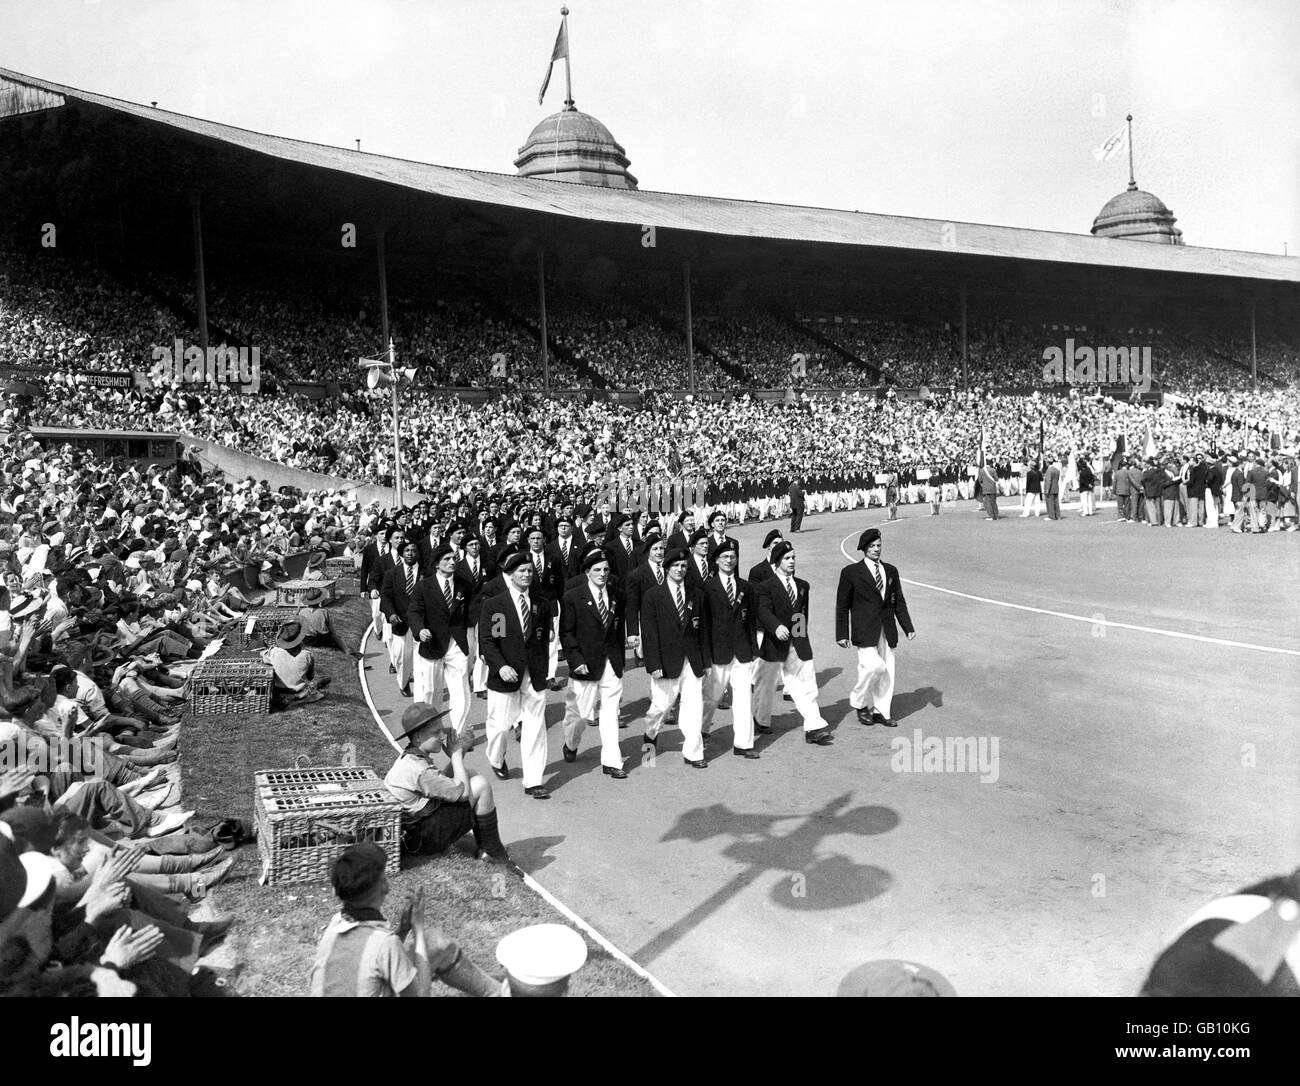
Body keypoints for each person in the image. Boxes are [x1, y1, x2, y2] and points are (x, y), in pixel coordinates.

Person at [308, 840, 504, 997]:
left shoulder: (334, 927)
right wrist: (417, 929)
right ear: (384, 886)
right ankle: (498, 992)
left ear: (337, 890)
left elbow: (373, 966)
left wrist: (402, 931)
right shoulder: (384, 943)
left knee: (435, 943)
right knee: (436, 944)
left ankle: (495, 989)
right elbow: (420, 993)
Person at [382, 703, 508, 860]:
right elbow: (462, 793)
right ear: (418, 737)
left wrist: (459, 755)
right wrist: (456, 754)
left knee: (469, 774)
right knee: (480, 785)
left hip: (414, 831)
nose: (442, 736)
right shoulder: (419, 770)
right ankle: (492, 852)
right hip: (420, 841)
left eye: (442, 730)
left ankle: (486, 847)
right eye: (436, 732)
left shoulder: (411, 757)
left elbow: (442, 784)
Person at [478, 552, 553, 799]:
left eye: (530, 571)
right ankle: (496, 758)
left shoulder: (540, 604)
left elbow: (542, 638)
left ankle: (533, 780)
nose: (527, 575)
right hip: (505, 674)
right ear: (510, 575)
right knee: (500, 726)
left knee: (535, 726)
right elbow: (489, 641)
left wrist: (543, 668)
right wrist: (500, 666)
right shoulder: (495, 605)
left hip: (534, 674)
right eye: (521, 571)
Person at [835, 528, 916, 728]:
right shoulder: (851, 573)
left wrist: (907, 626)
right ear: (863, 548)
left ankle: (882, 711)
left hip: (887, 627)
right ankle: (859, 702)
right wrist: (842, 633)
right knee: (873, 666)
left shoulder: (891, 571)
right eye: (872, 546)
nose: (876, 549)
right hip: (864, 628)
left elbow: (898, 601)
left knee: (888, 670)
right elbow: (842, 605)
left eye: (879, 545)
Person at [639, 547, 711, 768]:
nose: (680, 569)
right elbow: (649, 633)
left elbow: (704, 630)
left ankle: (693, 753)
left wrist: (706, 661)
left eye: (683, 566)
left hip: (692, 660)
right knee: (659, 708)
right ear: (667, 568)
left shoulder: (696, 594)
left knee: (693, 705)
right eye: (675, 566)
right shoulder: (653, 596)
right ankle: (649, 738)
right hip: (665, 661)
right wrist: (653, 664)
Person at [754, 541, 831, 745]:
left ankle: (814, 727)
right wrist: (775, 626)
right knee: (766, 684)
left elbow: (802, 614)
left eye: (793, 558)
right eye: (787, 558)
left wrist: (799, 639)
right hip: (773, 643)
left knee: (806, 685)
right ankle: (760, 719)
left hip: (797, 644)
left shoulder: (803, 586)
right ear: (777, 561)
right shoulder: (765, 587)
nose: (792, 561)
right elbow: (763, 610)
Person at [559, 550, 627, 778]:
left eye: (606, 569)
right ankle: (571, 742)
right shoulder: (573, 597)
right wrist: (576, 660)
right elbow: (566, 633)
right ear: (587, 572)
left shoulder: (617, 595)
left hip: (611, 663)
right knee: (579, 714)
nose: (603, 574)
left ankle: (612, 761)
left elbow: (617, 629)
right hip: (585, 664)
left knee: (610, 712)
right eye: (597, 570)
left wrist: (619, 661)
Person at [700, 539, 759, 759]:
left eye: (732, 557)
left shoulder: (745, 587)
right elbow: (704, 625)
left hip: (742, 652)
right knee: (712, 697)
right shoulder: (707, 588)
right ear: (716, 561)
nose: (729, 561)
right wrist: (705, 658)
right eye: (724, 557)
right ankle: (702, 729)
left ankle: (744, 744)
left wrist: (754, 649)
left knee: (744, 698)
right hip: (718, 653)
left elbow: (751, 620)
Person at [406, 543, 471, 738]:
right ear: (436, 564)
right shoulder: (424, 586)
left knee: (461, 691)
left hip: (456, 644)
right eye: (447, 559)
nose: (452, 562)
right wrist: (420, 630)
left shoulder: (464, 585)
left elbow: (471, 611)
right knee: (430, 692)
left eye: (454, 559)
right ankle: (431, 729)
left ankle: (458, 733)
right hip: (432, 644)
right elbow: (414, 611)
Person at [380, 538, 421, 698]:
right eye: (407, 551)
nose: (411, 554)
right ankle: (403, 682)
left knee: (421, 657)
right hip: (400, 622)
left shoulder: (427, 573)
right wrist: (391, 614)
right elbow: (386, 597)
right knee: (402, 656)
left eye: (414, 550)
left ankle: (421, 687)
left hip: (421, 622)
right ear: (402, 554)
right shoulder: (392, 574)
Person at [1043, 457, 1062, 521]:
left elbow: (1048, 480)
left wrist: (1047, 489)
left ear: (1048, 463)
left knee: (1050, 503)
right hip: (1056, 487)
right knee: (1056, 503)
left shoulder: (1049, 470)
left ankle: (1051, 516)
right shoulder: (1056, 470)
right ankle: (1058, 516)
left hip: (1050, 488)